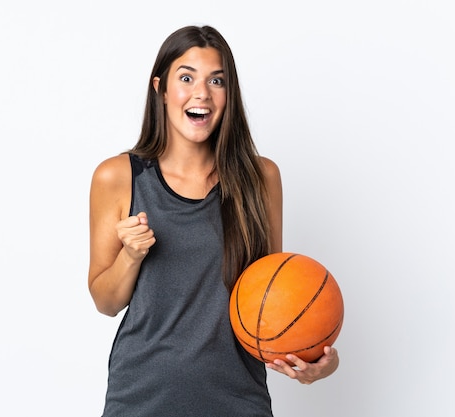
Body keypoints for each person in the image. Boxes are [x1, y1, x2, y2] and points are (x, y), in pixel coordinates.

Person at [87, 25, 339, 417]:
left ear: (229, 94)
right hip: (141, 399)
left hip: (239, 400)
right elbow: (105, 301)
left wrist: (317, 358)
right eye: (186, 78)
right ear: (161, 89)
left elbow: (275, 296)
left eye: (216, 80)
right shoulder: (117, 177)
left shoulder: (262, 178)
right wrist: (130, 257)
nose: (201, 93)